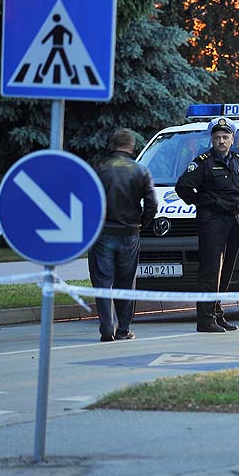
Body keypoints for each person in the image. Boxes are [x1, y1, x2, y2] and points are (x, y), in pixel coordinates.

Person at [175, 116, 239, 333]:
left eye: (225, 137)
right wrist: (204, 202)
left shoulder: (238, 161)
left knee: (226, 270)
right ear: (212, 140)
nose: (221, 141)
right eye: (217, 137)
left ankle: (217, 313)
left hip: (232, 221)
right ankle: (205, 319)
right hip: (212, 221)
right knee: (210, 269)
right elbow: (183, 187)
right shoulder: (203, 162)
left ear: (232, 139)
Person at [88, 128, 157, 342]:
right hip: (130, 234)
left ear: (113, 145)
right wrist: (142, 223)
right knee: (126, 283)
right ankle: (124, 329)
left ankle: (107, 328)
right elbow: (152, 204)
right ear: (131, 146)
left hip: (103, 234)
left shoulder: (100, 168)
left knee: (102, 281)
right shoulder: (140, 170)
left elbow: (88, 200)